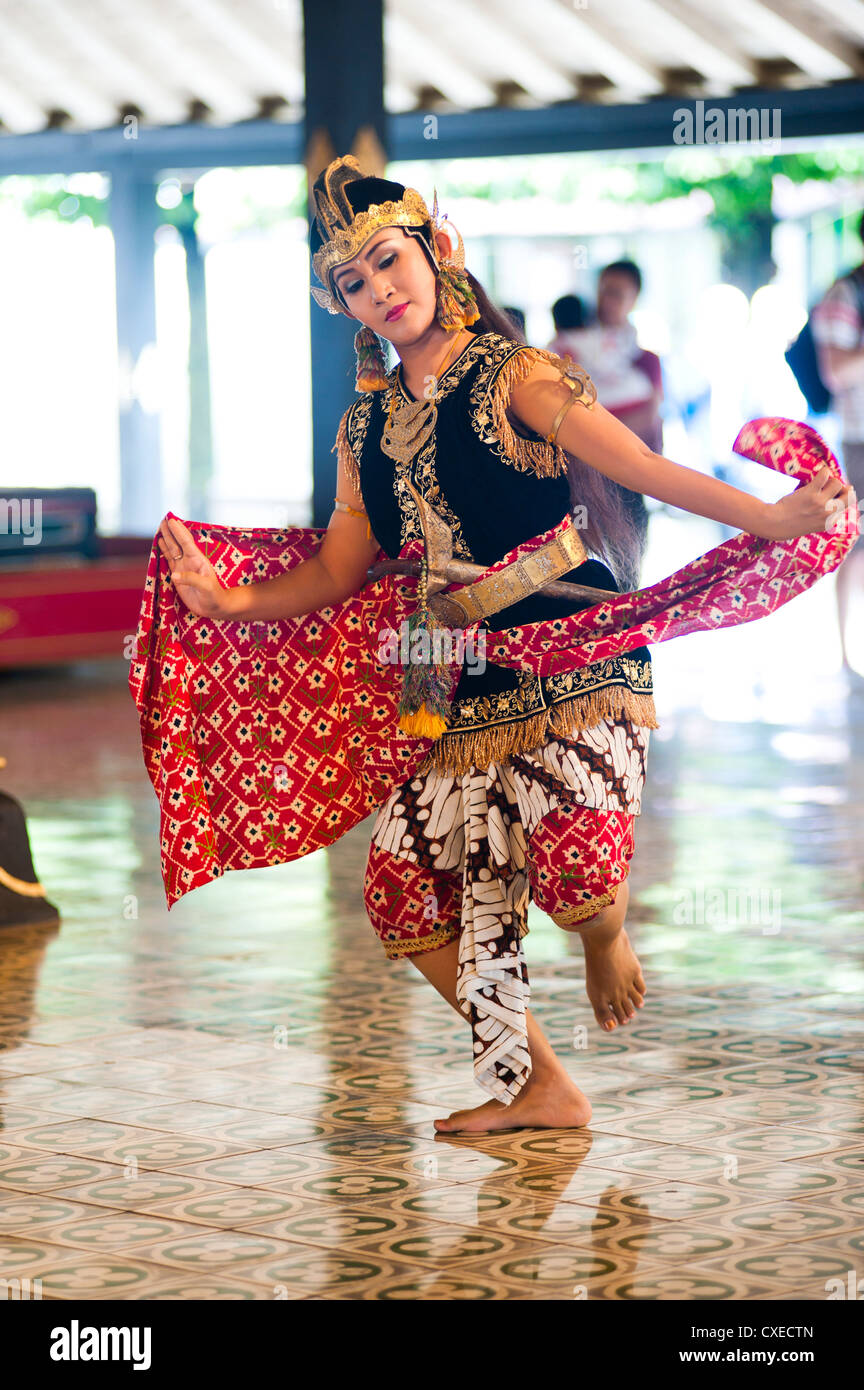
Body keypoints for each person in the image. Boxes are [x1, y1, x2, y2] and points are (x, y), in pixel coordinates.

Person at [146, 156, 856, 1136]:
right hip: (461, 680)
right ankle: (536, 1086)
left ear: (438, 251)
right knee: (404, 889)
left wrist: (771, 520)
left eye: (390, 261)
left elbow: (641, 465)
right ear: (342, 302)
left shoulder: (514, 372)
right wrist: (224, 602)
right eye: (355, 281)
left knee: (573, 870)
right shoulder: (366, 422)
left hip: (576, 642)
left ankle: (605, 930)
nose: (380, 290)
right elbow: (338, 571)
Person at [553, 262, 663, 563]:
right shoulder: (572, 348)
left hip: (626, 483)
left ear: (634, 298)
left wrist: (587, 433)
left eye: (616, 293)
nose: (606, 301)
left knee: (626, 572)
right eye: (602, 291)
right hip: (580, 485)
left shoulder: (645, 361)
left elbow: (649, 418)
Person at [811, 213, 864, 678]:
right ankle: (849, 652)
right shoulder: (845, 294)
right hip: (861, 434)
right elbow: (836, 371)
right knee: (856, 541)